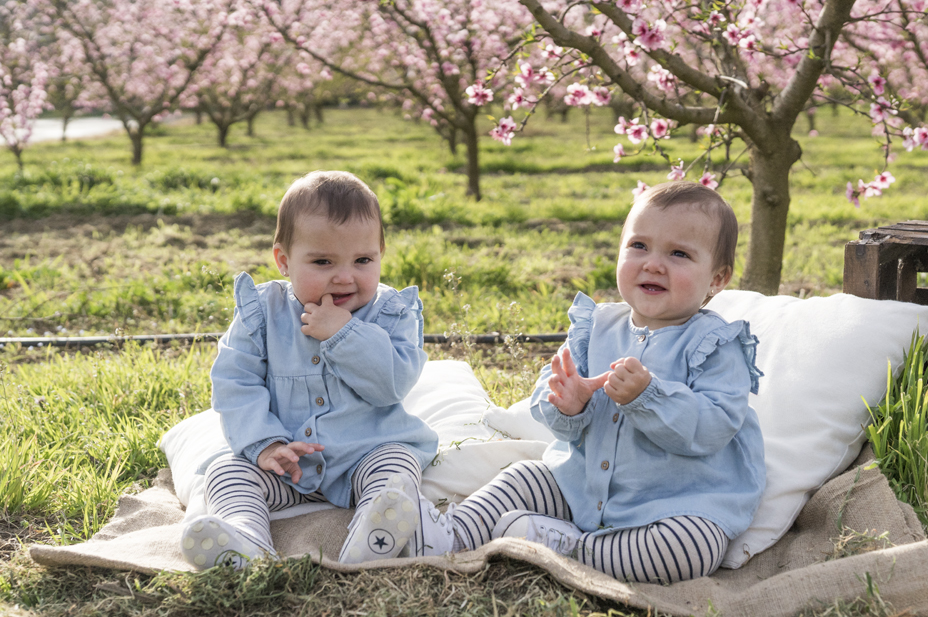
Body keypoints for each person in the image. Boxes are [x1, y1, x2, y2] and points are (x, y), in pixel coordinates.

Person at [431, 181, 766, 584]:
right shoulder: (595, 328)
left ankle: (570, 547)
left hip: (675, 504)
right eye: (639, 246)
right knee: (524, 477)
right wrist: (567, 403)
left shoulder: (716, 345)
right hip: (582, 486)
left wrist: (650, 397)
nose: (653, 264)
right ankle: (443, 534)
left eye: (679, 254)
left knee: (694, 548)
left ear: (717, 278)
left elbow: (714, 427)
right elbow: (547, 398)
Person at [180, 170, 449, 569]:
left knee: (396, 467)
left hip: (366, 453)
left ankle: (375, 531)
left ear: (380, 255)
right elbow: (235, 381)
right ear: (284, 261)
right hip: (286, 464)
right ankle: (245, 539)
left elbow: (390, 386)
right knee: (226, 471)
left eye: (363, 260)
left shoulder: (391, 314)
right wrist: (266, 445)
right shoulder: (262, 312)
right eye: (323, 261)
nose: (344, 276)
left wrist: (345, 333)